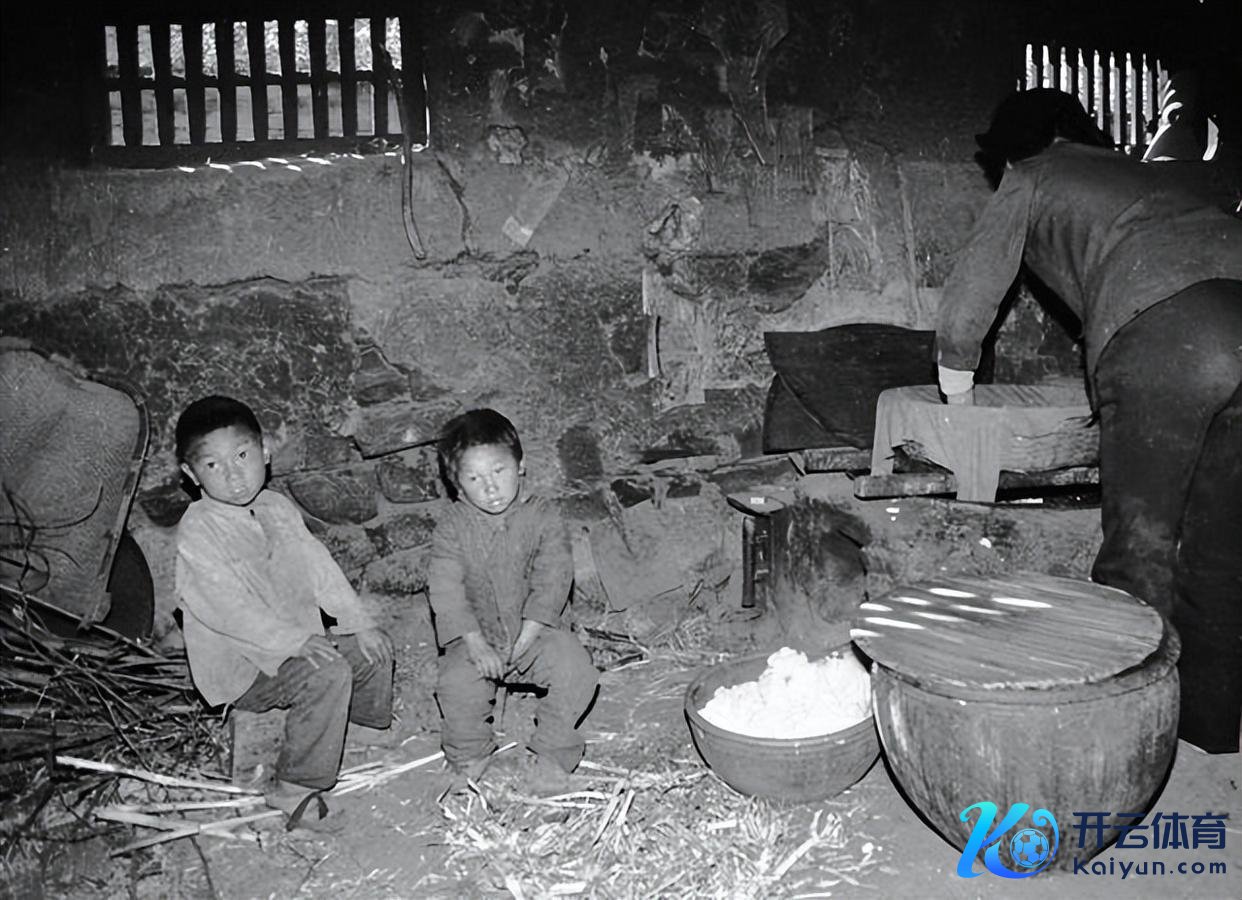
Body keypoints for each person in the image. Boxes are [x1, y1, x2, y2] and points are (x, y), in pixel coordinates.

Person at [934, 88, 1242, 753]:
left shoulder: (1032, 174)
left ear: (1016, 146)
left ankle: (1124, 741)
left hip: (1168, 334)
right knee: (1220, 551)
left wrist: (956, 399)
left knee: (1140, 547)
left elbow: (970, 298)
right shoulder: (1146, 175)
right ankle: (1208, 731)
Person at [174, 395, 395, 831]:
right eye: (213, 465)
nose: (234, 475)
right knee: (327, 673)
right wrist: (295, 642)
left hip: (296, 645)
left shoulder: (276, 508)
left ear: (265, 452)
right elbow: (230, 611)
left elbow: (320, 570)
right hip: (246, 667)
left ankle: (359, 729)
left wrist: (359, 622)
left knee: (372, 650)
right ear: (192, 474)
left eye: (242, 456)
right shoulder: (198, 530)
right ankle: (295, 786)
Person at [427, 408, 599, 794]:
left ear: (520, 465)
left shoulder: (544, 515)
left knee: (576, 670)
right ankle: (469, 755)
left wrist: (529, 634)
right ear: (456, 483)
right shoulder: (452, 526)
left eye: (498, 471)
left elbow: (553, 578)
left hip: (536, 631)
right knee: (455, 686)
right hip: (478, 634)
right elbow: (445, 588)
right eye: (474, 478)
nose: (490, 488)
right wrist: (474, 642)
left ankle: (553, 754)